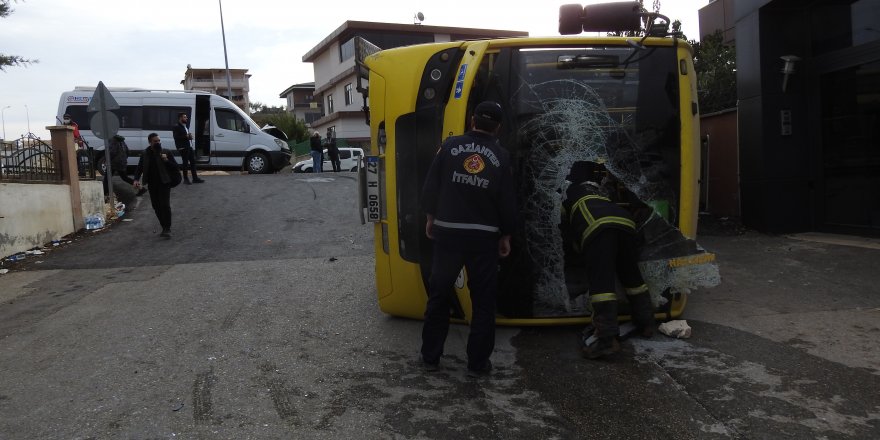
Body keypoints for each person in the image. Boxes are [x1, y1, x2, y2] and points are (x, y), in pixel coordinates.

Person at [419, 100, 517, 377]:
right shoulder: (502, 155)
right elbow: (507, 201)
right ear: (498, 127)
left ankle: (430, 358)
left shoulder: (450, 147)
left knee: (438, 296)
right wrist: (506, 234)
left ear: (472, 119)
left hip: (448, 234)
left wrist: (430, 218)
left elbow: (431, 185)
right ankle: (477, 365)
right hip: (484, 239)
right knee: (483, 302)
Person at [560, 165, 656, 359]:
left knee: (601, 287)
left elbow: (565, 231)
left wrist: (577, 250)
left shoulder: (566, 194)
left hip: (599, 228)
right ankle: (646, 323)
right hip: (626, 223)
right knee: (632, 278)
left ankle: (606, 340)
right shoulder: (597, 191)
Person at [133, 133, 179, 238]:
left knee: (165, 205)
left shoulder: (166, 152)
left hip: (165, 183)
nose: (158, 143)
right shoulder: (145, 153)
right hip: (152, 184)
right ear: (150, 142)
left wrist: (166, 160)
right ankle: (164, 226)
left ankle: (167, 228)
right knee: (156, 206)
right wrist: (136, 179)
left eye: (159, 141)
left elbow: (176, 167)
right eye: (155, 141)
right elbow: (139, 168)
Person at [172, 112, 204, 184]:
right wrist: (186, 136)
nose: (186, 118)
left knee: (193, 162)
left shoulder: (184, 126)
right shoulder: (176, 126)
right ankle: (186, 179)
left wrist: (189, 137)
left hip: (189, 146)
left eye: (186, 117)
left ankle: (195, 178)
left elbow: (185, 136)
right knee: (185, 163)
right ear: (180, 118)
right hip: (183, 148)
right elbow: (176, 137)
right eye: (184, 117)